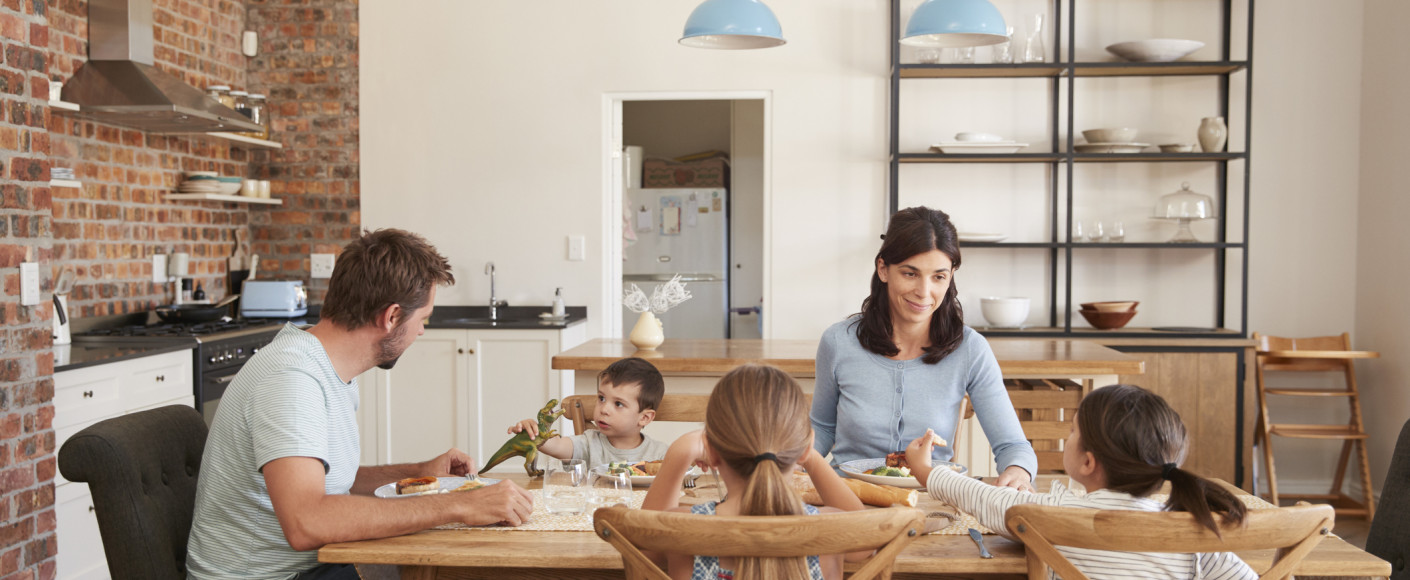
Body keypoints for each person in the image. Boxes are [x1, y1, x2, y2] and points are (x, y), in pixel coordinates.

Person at [186, 229, 534, 580]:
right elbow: (307, 521)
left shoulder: (323, 365)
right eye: (423, 318)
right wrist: (458, 504)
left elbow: (332, 485)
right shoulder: (292, 380)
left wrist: (418, 474)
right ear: (392, 317)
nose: (422, 332)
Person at [904, 384, 1256, 579]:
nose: (1068, 436)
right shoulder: (1191, 531)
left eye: (1072, 432)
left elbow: (984, 499)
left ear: (1088, 462)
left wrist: (928, 472)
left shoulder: (1055, 514)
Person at [811, 206, 1038, 490]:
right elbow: (821, 428)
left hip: (932, 499)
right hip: (846, 496)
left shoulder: (971, 349)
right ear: (883, 269)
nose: (924, 291)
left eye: (938, 277)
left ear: (951, 276)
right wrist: (793, 461)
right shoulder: (838, 342)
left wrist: (1018, 472)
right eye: (910, 274)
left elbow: (1013, 445)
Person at [642, 364, 869, 580]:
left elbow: (644, 544)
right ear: (806, 448)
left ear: (711, 449)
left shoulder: (683, 528)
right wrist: (810, 454)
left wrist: (680, 451)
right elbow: (868, 544)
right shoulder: (832, 528)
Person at [507, 357, 669, 467]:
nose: (604, 409)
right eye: (602, 398)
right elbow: (555, 445)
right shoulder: (588, 444)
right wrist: (534, 432)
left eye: (618, 404)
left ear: (645, 417)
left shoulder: (661, 455)